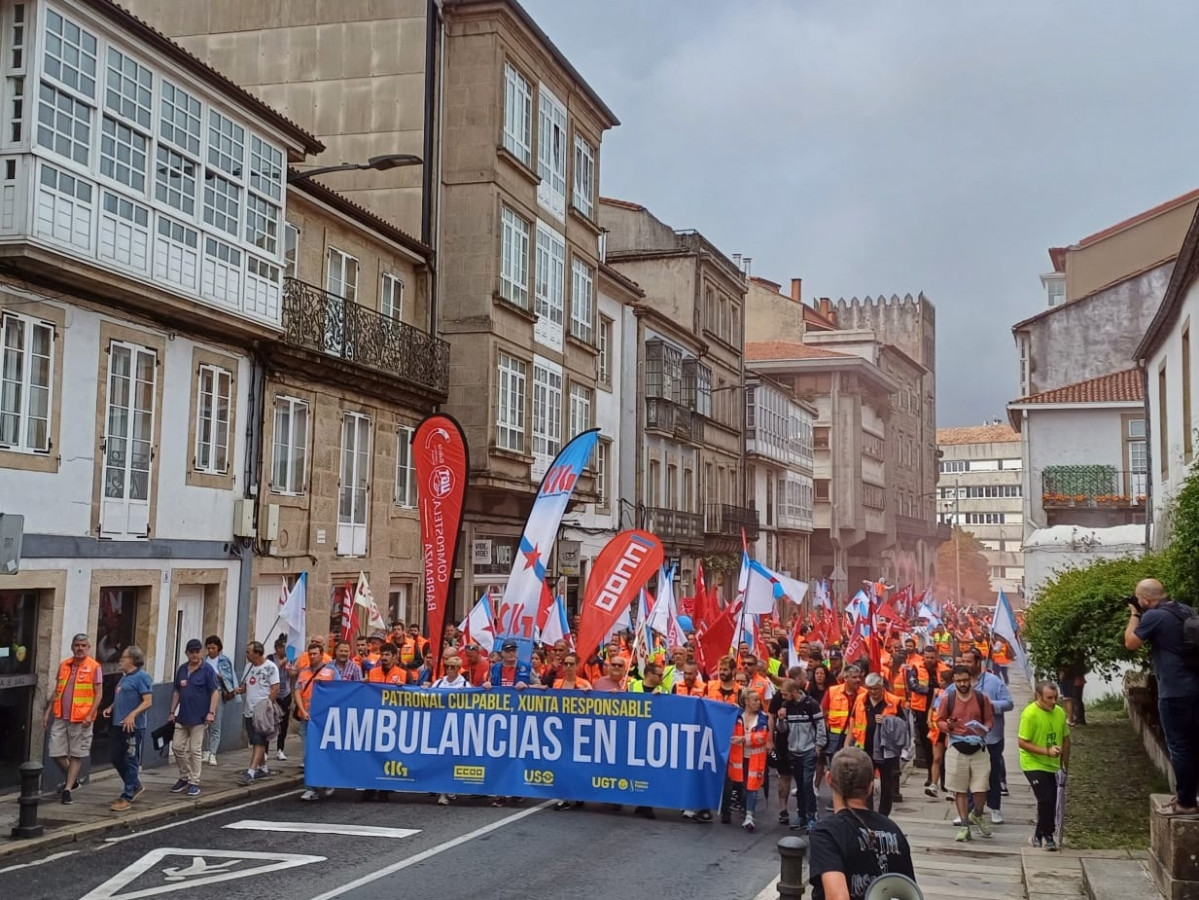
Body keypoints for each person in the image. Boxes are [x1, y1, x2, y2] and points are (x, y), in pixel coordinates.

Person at [1126, 577, 1199, 816]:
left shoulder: (1153, 616)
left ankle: (1186, 802)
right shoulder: (1185, 610)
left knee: (1179, 746)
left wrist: (1134, 614)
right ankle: (1188, 795)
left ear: (1145, 599)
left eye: (1139, 600)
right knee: (1193, 745)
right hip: (1194, 687)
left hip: (1174, 691)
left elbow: (1131, 642)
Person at [808, 747, 916, 900]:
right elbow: (909, 891)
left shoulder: (826, 832)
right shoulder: (893, 829)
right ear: (870, 786)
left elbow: (838, 897)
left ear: (829, 779)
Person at [44, 634, 103, 804]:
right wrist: (48, 712)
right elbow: (57, 690)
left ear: (89, 648)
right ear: (72, 647)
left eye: (84, 645)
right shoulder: (64, 665)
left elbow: (99, 694)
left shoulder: (94, 667)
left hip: (81, 718)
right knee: (55, 751)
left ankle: (68, 789)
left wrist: (91, 714)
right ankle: (75, 779)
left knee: (76, 754)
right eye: (77, 645)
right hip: (61, 715)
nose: (80, 648)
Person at [938, 664, 994, 841]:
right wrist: (948, 726)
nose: (962, 684)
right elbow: (939, 721)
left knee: (981, 787)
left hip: (978, 747)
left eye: (965, 680)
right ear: (954, 682)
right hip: (957, 747)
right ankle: (964, 825)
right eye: (958, 681)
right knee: (959, 789)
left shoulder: (981, 697)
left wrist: (985, 729)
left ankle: (977, 814)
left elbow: (989, 719)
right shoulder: (949, 698)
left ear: (970, 679)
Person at [1018, 681, 1070, 850]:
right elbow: (1022, 742)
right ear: (1038, 697)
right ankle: (1048, 835)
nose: (1053, 701)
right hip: (1033, 763)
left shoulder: (1060, 713)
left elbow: (1065, 739)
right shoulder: (1030, 714)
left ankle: (1038, 835)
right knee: (1045, 798)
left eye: (1055, 697)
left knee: (1052, 801)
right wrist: (1045, 751)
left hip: (1053, 764)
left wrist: (1064, 764)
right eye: (1049, 698)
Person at [964, 646, 1012, 825]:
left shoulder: (993, 681)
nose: (965, 665)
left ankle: (995, 808)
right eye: (963, 661)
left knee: (992, 773)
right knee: (969, 774)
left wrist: (990, 705)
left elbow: (1009, 703)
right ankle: (970, 810)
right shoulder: (962, 682)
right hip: (968, 737)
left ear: (978, 662)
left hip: (992, 737)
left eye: (969, 661)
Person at [848, 673, 906, 817]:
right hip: (865, 748)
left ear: (882, 687)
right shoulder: (861, 700)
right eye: (869, 689)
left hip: (886, 750)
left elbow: (903, 725)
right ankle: (868, 813)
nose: (872, 692)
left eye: (875, 689)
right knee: (866, 782)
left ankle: (883, 814)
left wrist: (887, 720)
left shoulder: (894, 701)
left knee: (887, 783)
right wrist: (848, 745)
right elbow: (853, 721)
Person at [103, 646, 153, 812]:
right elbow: (123, 697)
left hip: (133, 726)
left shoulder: (142, 677)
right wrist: (111, 707)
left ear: (132, 660)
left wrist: (132, 715)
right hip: (118, 724)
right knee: (115, 757)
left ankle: (127, 795)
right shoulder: (124, 677)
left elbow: (147, 701)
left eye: (123, 658)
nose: (120, 660)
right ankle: (135, 785)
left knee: (131, 759)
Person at [167, 638, 219, 797]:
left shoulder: (207, 670)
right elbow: (177, 691)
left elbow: (214, 692)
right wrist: (171, 712)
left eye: (197, 651)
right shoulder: (182, 669)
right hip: (182, 716)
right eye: (192, 652)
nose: (195, 654)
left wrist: (211, 712)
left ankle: (194, 781)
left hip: (200, 717)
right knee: (177, 747)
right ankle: (185, 776)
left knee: (194, 750)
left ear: (201, 652)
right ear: (187, 653)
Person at [776, 674, 827, 832]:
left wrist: (818, 746)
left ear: (794, 691)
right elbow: (783, 730)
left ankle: (812, 816)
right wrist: (781, 720)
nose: (783, 698)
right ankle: (802, 815)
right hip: (794, 751)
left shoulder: (811, 704)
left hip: (808, 750)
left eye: (785, 694)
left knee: (807, 784)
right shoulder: (787, 706)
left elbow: (820, 725)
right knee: (799, 786)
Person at [723, 688, 770, 830]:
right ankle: (730, 811)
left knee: (752, 787)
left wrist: (743, 739)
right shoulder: (737, 715)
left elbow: (762, 736)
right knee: (737, 786)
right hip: (738, 758)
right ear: (746, 701)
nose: (758, 702)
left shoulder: (763, 717)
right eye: (755, 700)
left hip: (755, 758)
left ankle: (749, 816)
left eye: (759, 699)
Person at [236, 641, 280, 787]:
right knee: (254, 740)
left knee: (259, 741)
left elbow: (275, 688)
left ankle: (251, 772)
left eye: (249, 652)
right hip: (249, 710)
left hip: (261, 711)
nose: (246, 654)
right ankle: (263, 768)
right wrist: (239, 690)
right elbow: (246, 686)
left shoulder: (270, 668)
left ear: (257, 653)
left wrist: (267, 706)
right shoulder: (248, 667)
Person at [203, 635, 238, 765]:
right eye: (209, 648)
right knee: (204, 724)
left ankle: (213, 752)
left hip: (217, 691)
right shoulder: (204, 661)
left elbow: (230, 678)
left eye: (213, 648)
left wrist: (220, 677)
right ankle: (205, 750)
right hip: (204, 693)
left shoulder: (224, 661)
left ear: (218, 648)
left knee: (216, 724)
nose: (211, 650)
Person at [270, 635, 295, 761]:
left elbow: (293, 675)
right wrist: (281, 663)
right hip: (273, 695)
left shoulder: (290, 659)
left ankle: (280, 749)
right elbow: (270, 671)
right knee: (270, 723)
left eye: (285, 647)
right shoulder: (270, 659)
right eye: (281, 647)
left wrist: (290, 668)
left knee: (284, 724)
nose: (283, 650)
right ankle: (265, 750)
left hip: (286, 694)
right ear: (276, 648)